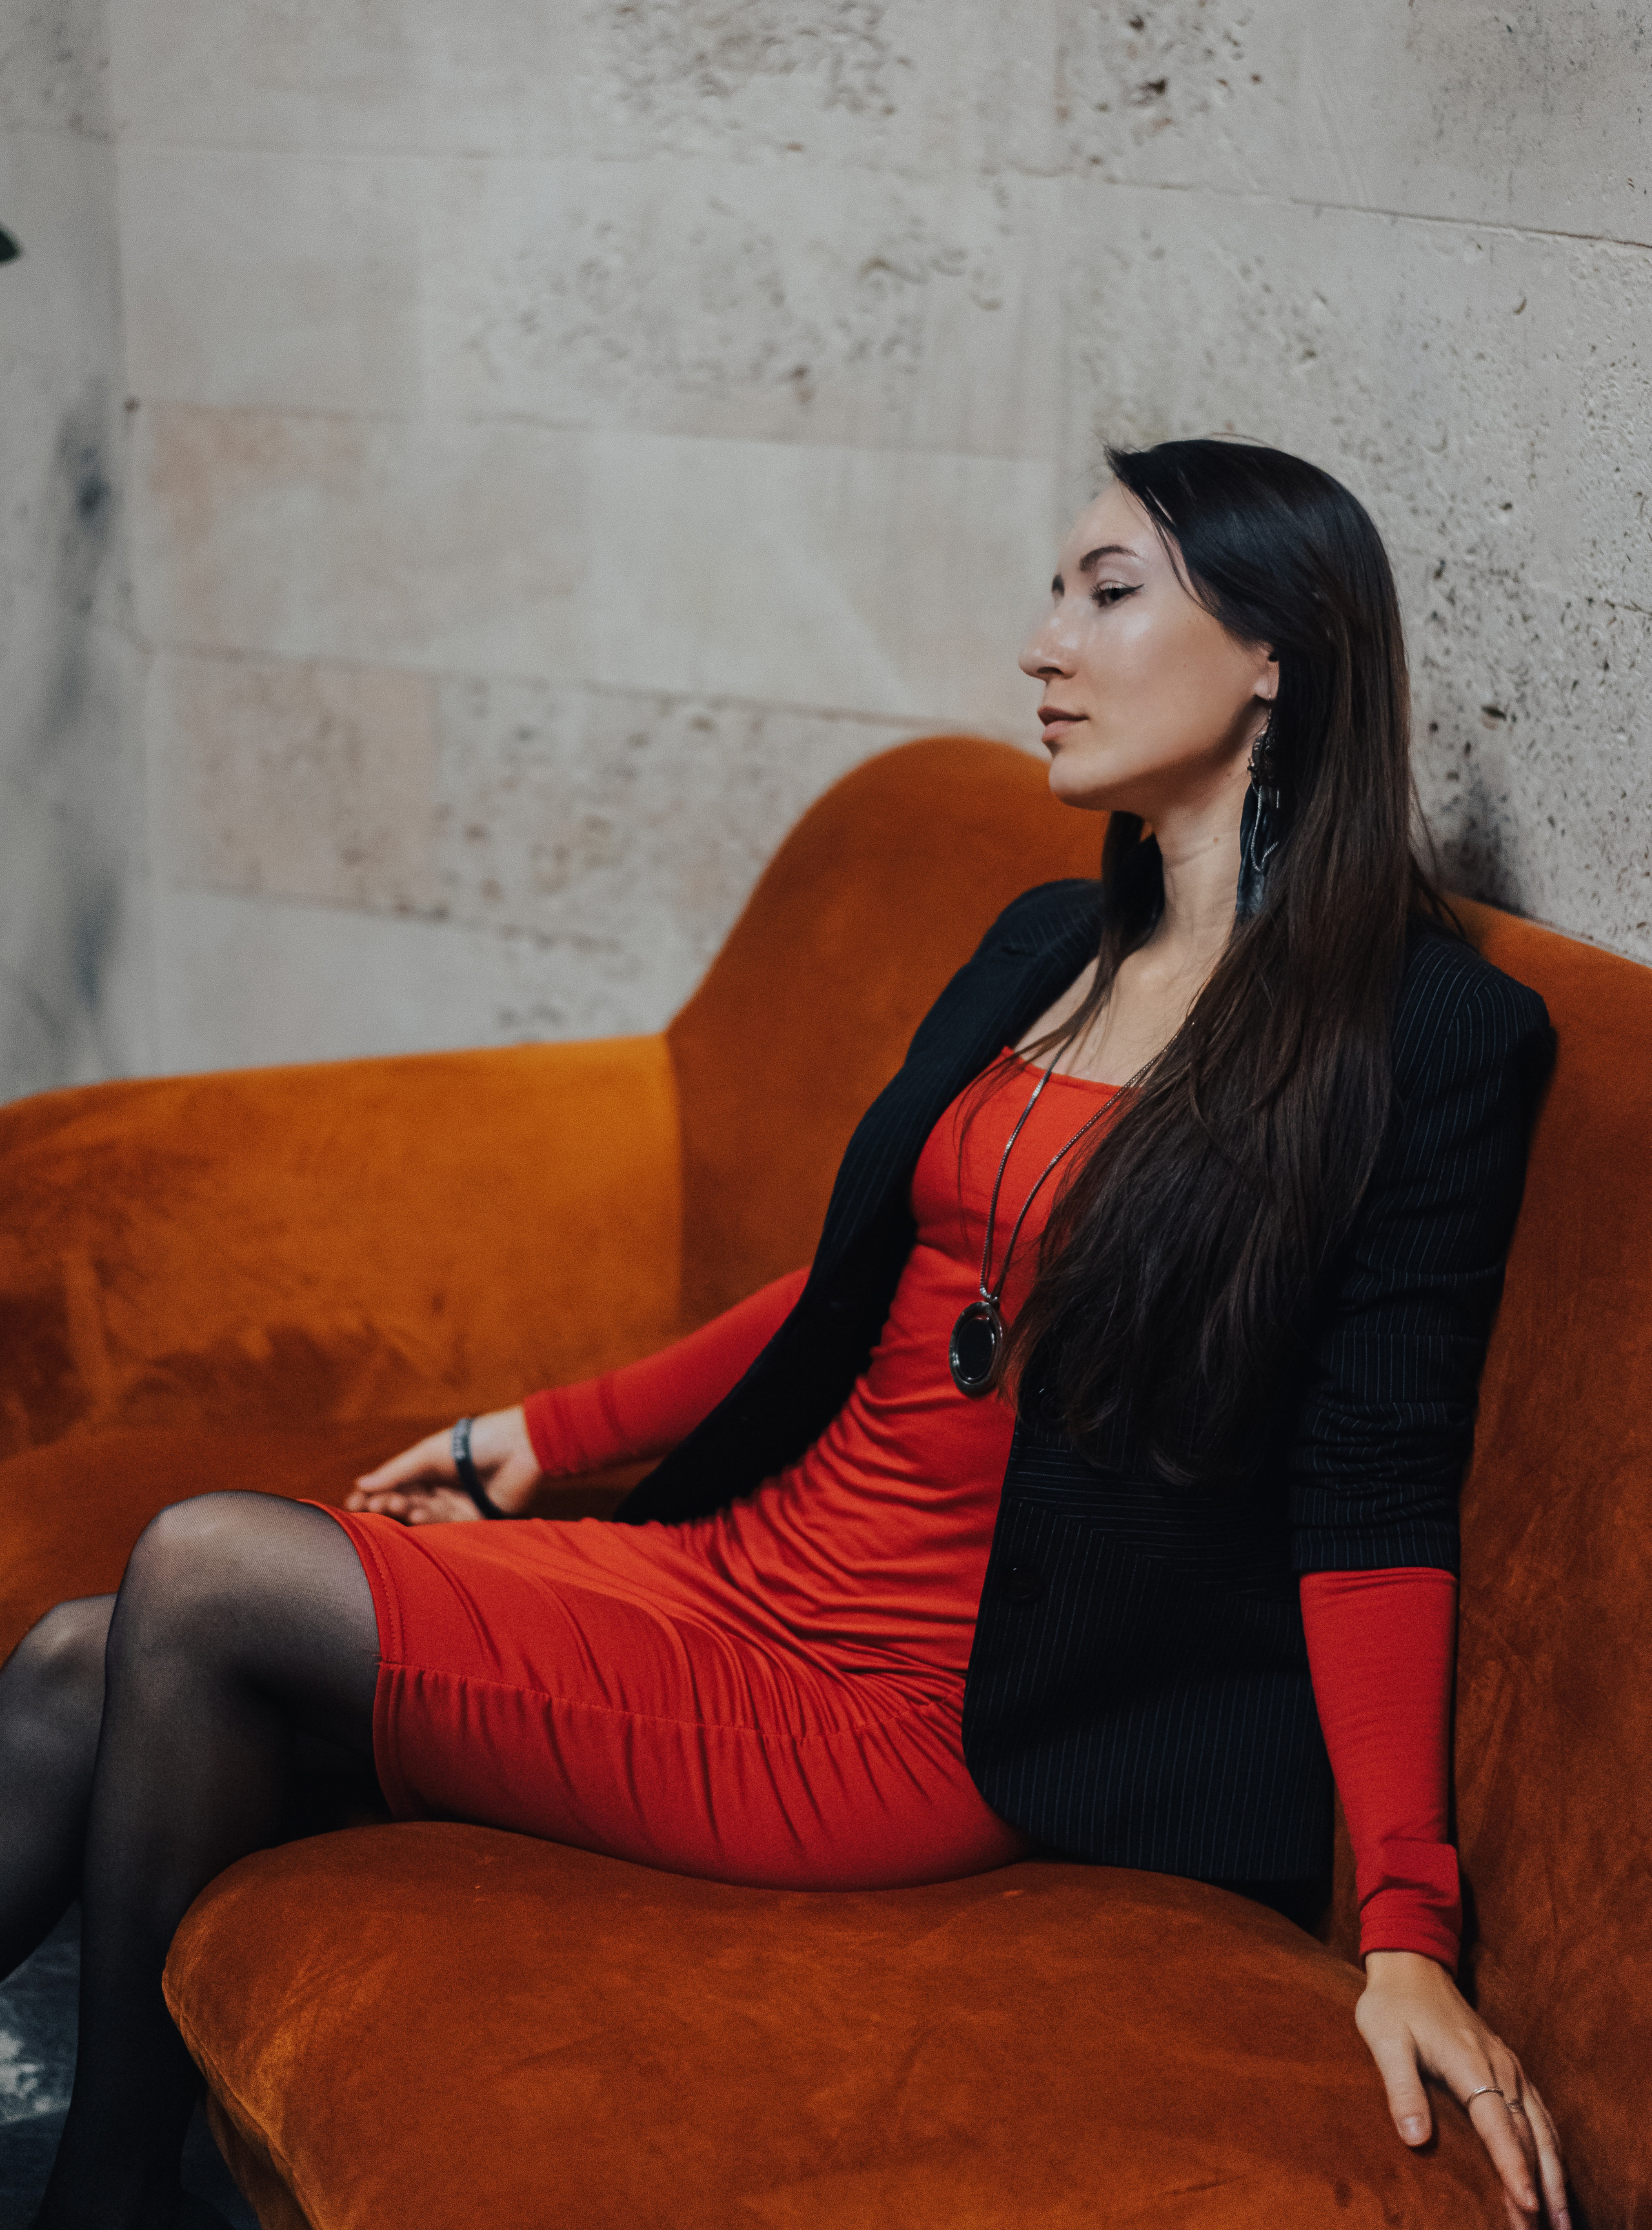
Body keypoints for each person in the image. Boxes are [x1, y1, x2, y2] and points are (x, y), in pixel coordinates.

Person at [0, 440, 1567, 2230]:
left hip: (904, 1711)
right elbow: (859, 1285)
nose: (1045, 645)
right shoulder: (1048, 938)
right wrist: (544, 1430)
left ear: (1283, 649)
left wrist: (1405, 1930)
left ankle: (101, 2195)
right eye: (1054, 591)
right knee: (74, 1652)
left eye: (1107, 593)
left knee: (203, 1567)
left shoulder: (1420, 1038)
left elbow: (1377, 1493)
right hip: (738, 1563)